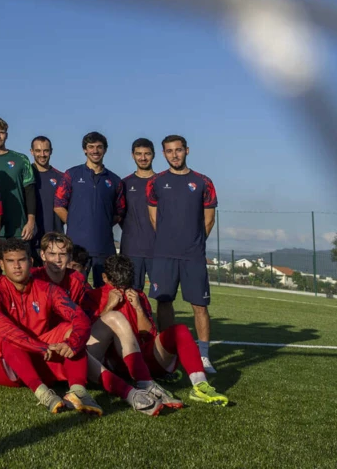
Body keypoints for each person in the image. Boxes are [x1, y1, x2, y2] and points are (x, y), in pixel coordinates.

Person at [0, 239, 161, 416]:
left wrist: (73, 344)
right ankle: (43, 394)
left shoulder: (48, 288)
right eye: (10, 261)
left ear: (31, 261)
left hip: (44, 354)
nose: (17, 266)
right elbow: (0, 325)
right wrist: (40, 347)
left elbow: (80, 318)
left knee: (69, 329)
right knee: (6, 337)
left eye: (21, 260)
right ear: (2, 265)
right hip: (8, 367)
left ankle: (79, 391)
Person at [91, 255, 229, 405]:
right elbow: (92, 339)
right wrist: (108, 307)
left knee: (180, 330)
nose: (121, 290)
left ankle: (200, 384)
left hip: (143, 357)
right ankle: (142, 381)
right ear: (105, 278)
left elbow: (149, 335)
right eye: (116, 285)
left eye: (125, 285)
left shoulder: (138, 295)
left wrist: (138, 309)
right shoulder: (95, 296)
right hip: (117, 361)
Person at [147, 134, 219, 374]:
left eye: (178, 150)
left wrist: (194, 243)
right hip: (164, 254)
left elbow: (209, 220)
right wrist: (169, 241)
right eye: (169, 151)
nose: (174, 155)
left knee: (199, 305)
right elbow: (154, 217)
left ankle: (204, 356)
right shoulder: (156, 182)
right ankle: (169, 352)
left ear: (187, 151)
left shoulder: (203, 182)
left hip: (193, 256)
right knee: (164, 302)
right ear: (164, 153)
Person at [54, 132, 125, 286]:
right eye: (91, 147)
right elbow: (59, 206)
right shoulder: (71, 175)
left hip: (104, 247)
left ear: (105, 150)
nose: (95, 151)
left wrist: (101, 224)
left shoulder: (114, 180)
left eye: (99, 147)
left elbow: (119, 212)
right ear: (85, 150)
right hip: (77, 247)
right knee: (74, 290)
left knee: (106, 292)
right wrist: (76, 224)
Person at [0, 117, 36, 243]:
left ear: (6, 135)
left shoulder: (21, 159)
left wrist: (31, 221)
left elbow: (30, 191)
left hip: (19, 228)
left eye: (1, 132)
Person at [119, 138, 157, 291]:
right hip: (131, 250)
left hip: (158, 250)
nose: (143, 158)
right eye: (139, 154)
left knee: (163, 297)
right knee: (130, 295)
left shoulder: (162, 182)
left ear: (153, 155)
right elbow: (119, 215)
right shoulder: (124, 184)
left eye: (147, 154)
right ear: (132, 155)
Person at [30, 136, 64, 248]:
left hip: (54, 241)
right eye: (38, 151)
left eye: (46, 151)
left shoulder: (61, 178)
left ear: (51, 151)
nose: (42, 154)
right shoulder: (24, 176)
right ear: (31, 152)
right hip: (30, 239)